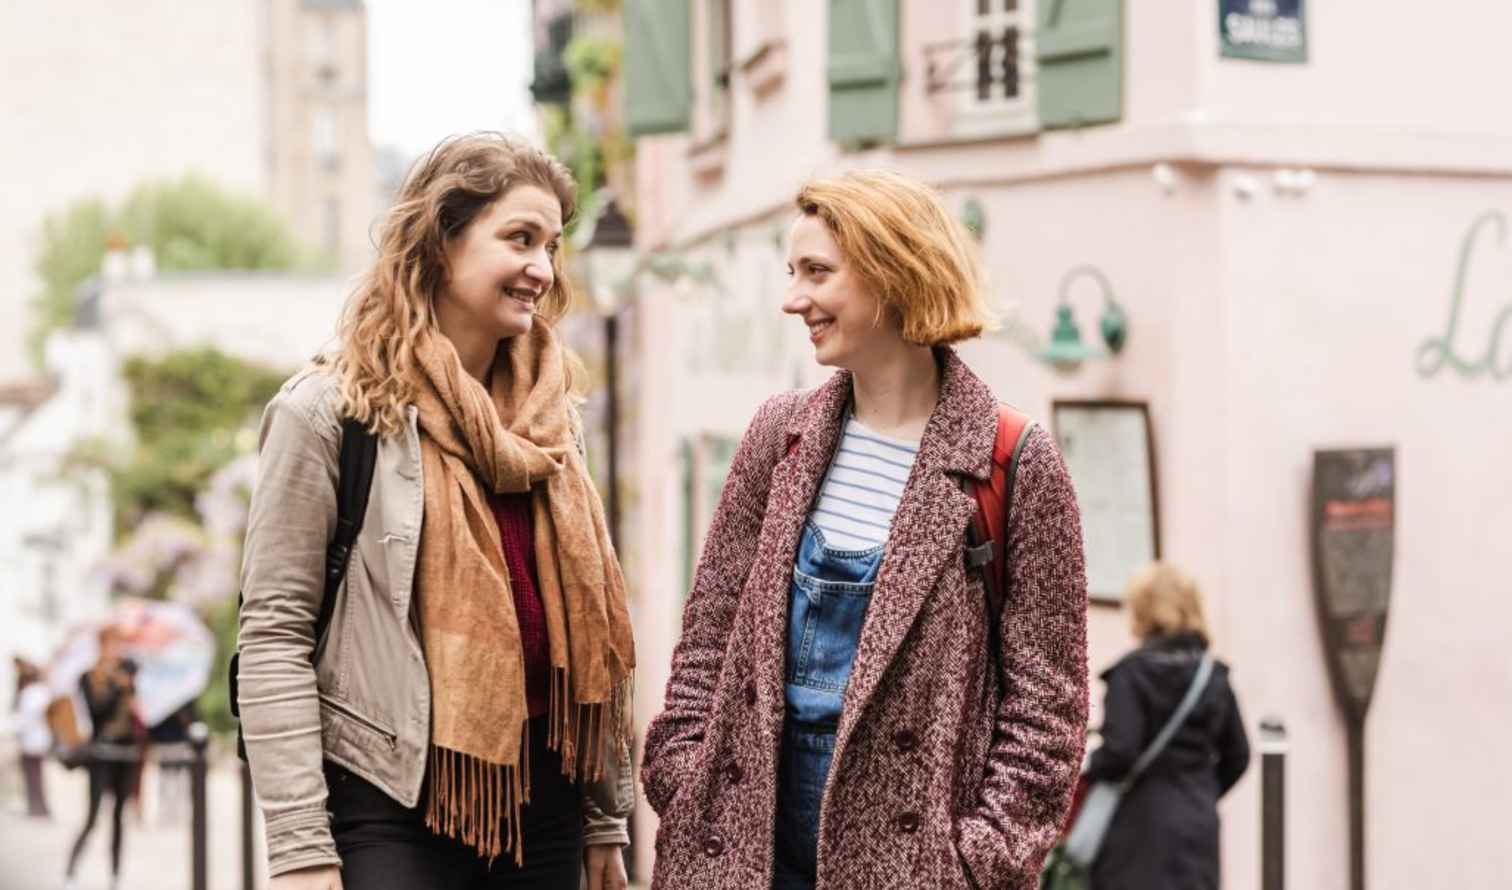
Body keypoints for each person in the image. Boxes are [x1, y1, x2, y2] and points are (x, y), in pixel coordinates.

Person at [640, 170, 1090, 890]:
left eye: (817, 272)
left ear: (893, 270)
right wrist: (684, 775)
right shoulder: (778, 436)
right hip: (741, 831)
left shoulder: (1013, 460)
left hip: (913, 861)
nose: (793, 300)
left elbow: (1048, 710)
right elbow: (710, 632)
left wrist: (978, 861)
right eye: (792, 273)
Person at [237, 133, 635, 890]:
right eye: (519, 239)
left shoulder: (551, 420)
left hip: (544, 810)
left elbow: (588, 632)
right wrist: (300, 847)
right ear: (440, 241)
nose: (542, 270)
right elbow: (275, 634)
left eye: (551, 246)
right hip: (390, 804)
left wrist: (602, 818)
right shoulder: (330, 413)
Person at [1084, 562, 1250, 890]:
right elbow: (1239, 755)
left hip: (1139, 826)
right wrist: (1200, 788)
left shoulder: (1131, 675)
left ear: (1143, 611)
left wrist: (1089, 770)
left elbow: (1121, 751)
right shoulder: (1213, 677)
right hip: (1197, 824)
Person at [65, 628, 139, 890]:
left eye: (120, 644)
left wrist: (130, 687)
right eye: (112, 644)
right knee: (93, 816)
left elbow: (139, 716)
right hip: (100, 755)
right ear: (102, 646)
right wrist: (117, 689)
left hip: (126, 754)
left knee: (120, 818)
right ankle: (71, 872)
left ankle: (115, 876)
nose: (116, 649)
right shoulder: (88, 677)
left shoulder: (129, 675)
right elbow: (97, 713)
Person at [13, 657, 52, 818]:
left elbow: (25, 719)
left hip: (31, 739)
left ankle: (36, 806)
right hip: (41, 739)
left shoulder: (29, 693)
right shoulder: (43, 691)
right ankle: (40, 806)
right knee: (37, 774)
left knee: (32, 775)